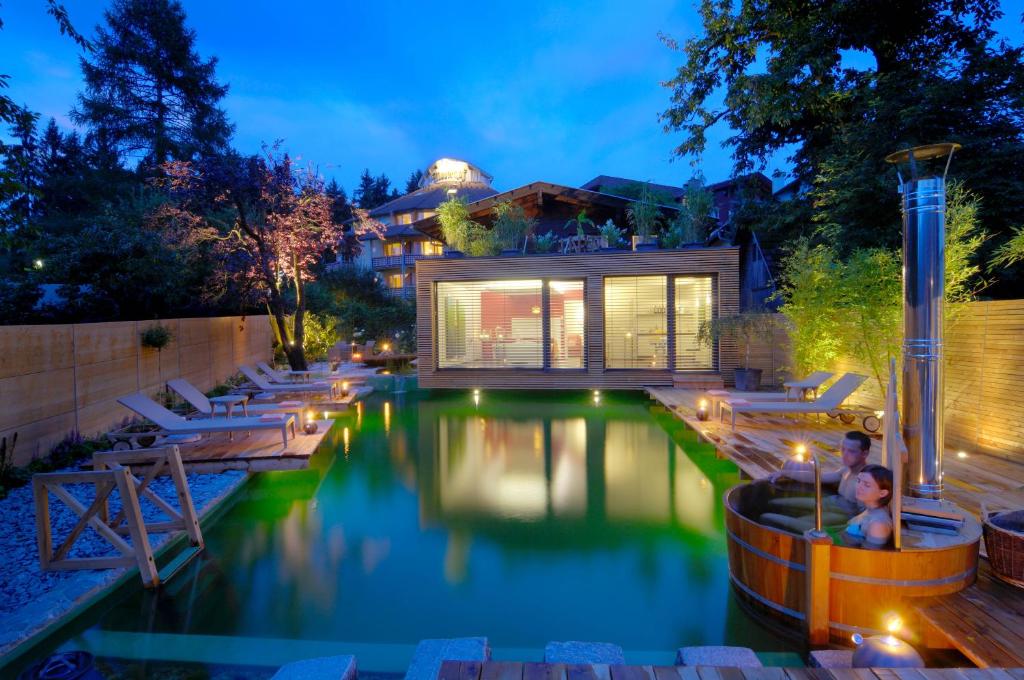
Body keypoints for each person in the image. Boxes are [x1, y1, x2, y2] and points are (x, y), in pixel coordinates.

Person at [768, 431, 873, 517]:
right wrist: (785, 473)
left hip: (842, 516)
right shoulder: (845, 470)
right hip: (831, 503)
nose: (844, 455)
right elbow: (818, 477)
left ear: (865, 453)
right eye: (843, 449)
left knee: (769, 517)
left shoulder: (866, 481)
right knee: (774, 503)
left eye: (851, 451)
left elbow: (866, 515)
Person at [841, 464, 894, 549]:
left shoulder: (878, 525)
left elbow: (868, 558)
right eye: (858, 481)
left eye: (867, 485)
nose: (859, 487)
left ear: (882, 493)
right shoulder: (871, 509)